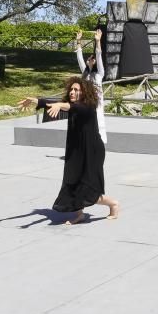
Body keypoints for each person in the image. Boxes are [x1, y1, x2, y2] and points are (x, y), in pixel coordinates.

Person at [40, 76, 119, 224]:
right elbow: (58, 105)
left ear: (84, 93)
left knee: (88, 189)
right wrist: (36, 101)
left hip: (92, 151)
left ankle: (113, 204)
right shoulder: (72, 104)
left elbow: (71, 107)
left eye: (76, 90)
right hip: (78, 150)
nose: (72, 92)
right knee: (73, 180)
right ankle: (79, 214)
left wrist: (59, 105)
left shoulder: (88, 106)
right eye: (71, 89)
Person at [75, 28, 107, 143]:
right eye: (90, 58)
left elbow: (99, 55)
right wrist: (79, 41)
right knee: (86, 128)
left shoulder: (99, 74)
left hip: (97, 105)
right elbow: (79, 57)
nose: (92, 59)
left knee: (98, 127)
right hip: (86, 104)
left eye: (93, 59)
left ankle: (99, 147)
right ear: (88, 61)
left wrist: (98, 41)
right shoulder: (85, 73)